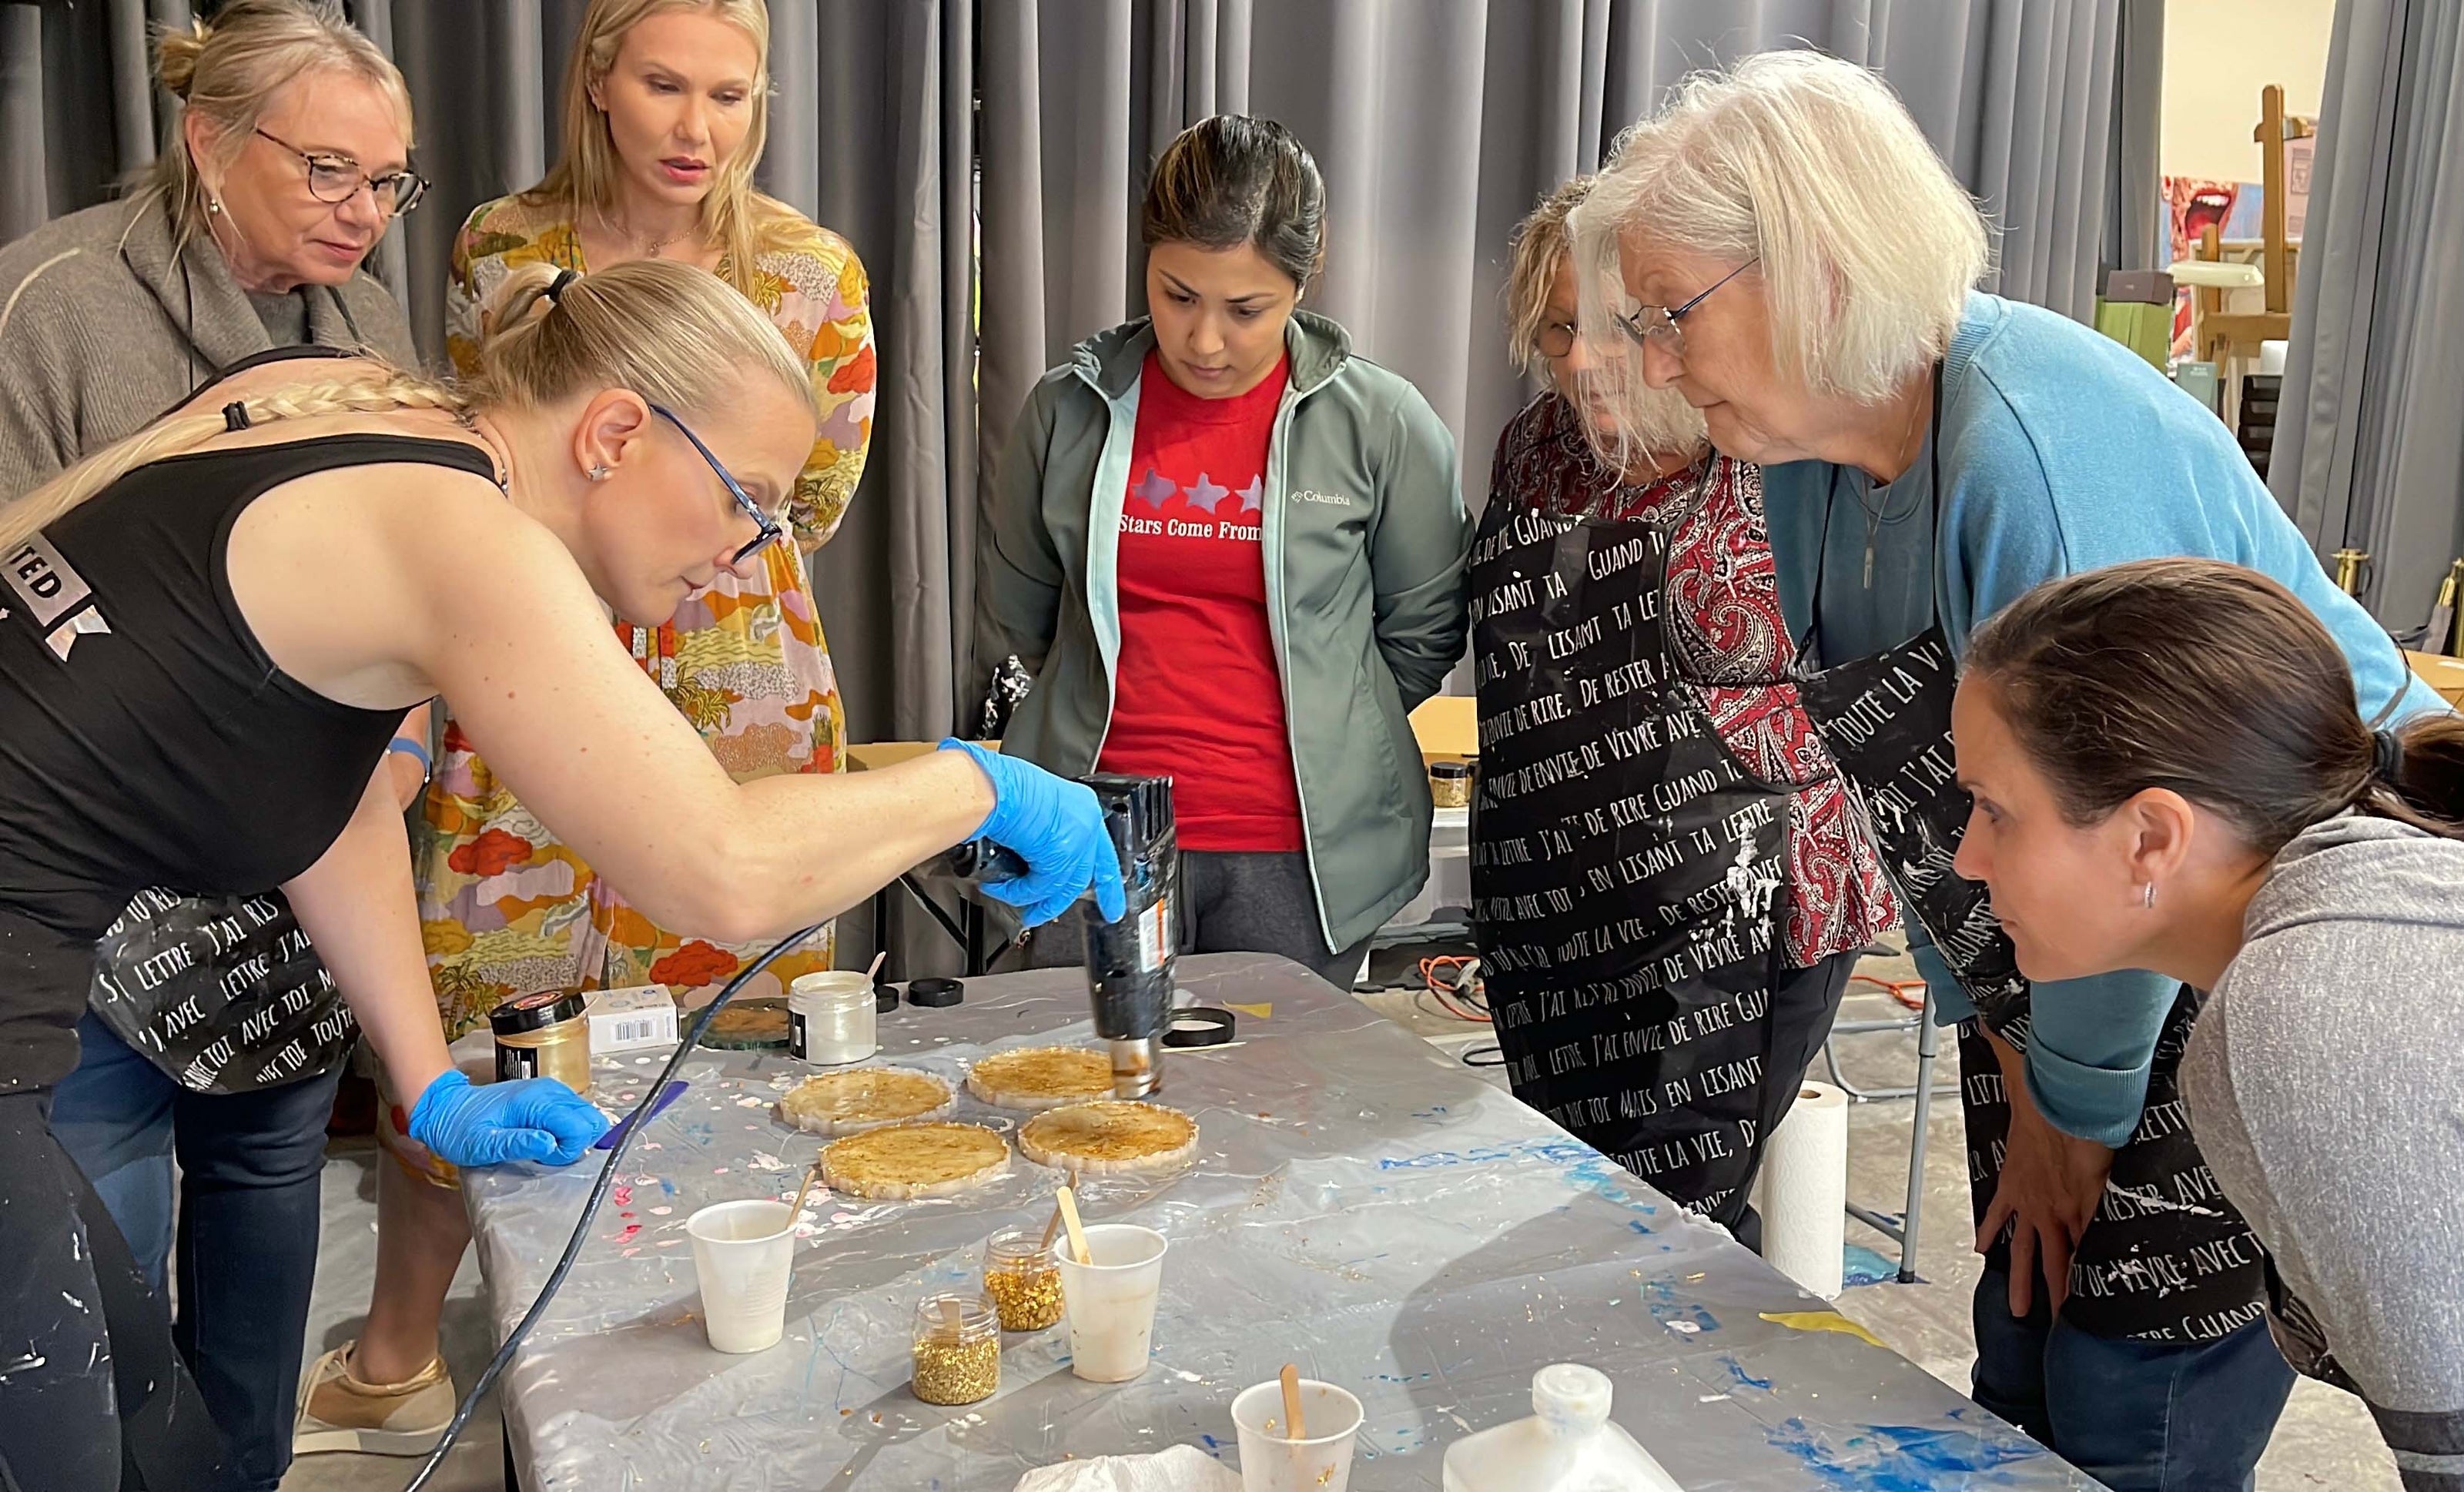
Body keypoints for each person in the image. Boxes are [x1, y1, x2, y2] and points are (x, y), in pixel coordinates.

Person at [0, 257, 1118, 1491]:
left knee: (164, 1452)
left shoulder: (348, 405)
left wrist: (425, 1082)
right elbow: (721, 869)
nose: (751, 555)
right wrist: (984, 784)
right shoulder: (473, 540)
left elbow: (334, 795)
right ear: (616, 432)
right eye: (745, 500)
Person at [1572, 49, 2448, 1490]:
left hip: (2224, 953)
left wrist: (2073, 1107)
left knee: (2123, 1399)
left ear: (1821, 274)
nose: (1655, 364)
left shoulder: (2028, 454)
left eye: (1674, 317)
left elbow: (2133, 846)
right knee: (2015, 1357)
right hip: (2060, 966)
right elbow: (1926, 804)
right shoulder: (1802, 458)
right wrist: (2008, 1044)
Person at [293, 0, 878, 1454]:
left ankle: (720, 1333)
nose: (697, 128)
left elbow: (805, 506)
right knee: (481, 1011)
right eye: (666, 86)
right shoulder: (505, 248)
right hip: (518, 684)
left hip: (739, 687)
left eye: (730, 95)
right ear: (600, 83)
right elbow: (469, 466)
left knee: (736, 1036)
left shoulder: (813, 273)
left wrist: (694, 548)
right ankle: (403, 1341)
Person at [0, 5, 437, 1484]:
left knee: (265, 1208)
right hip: (96, 912)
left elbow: (423, 583)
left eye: (388, 183)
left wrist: (398, 753)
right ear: (206, 140)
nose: (363, 213)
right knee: (102, 1283)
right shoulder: (51, 304)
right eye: (330, 171)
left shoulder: (371, 323)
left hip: (299, 878)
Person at [1953, 557, 2464, 1492]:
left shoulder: (2306, 1017)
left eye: (1993, 811)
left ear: (2151, 836)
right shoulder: (2328, 931)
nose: (1965, 858)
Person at [1471, 176, 1896, 1242]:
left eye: (1613, 328)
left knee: (1674, 1227)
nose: (1580, 362)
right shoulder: (1534, 449)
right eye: (1560, 329)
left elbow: (1873, 685)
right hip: (1548, 907)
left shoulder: (1775, 455)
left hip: (1732, 920)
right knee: (1561, 1207)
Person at [975, 114, 1470, 987]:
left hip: (1297, 853)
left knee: (1283, 1112)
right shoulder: (1066, 412)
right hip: (1095, 832)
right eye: (1176, 295)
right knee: (1088, 1108)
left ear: (1305, 280)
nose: (1204, 341)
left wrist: (1332, 720)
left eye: (1245, 310)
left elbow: (1422, 630)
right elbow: (1023, 614)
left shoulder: (1384, 424)